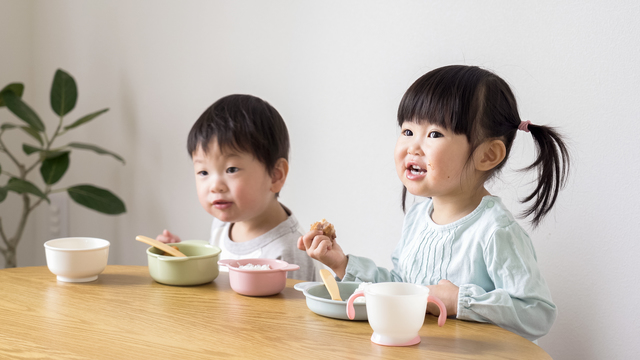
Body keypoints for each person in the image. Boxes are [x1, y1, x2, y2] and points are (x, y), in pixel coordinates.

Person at [297, 65, 570, 341]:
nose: (413, 147)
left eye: (434, 134)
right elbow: (402, 290)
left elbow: (537, 313)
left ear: (488, 155)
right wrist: (343, 264)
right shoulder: (417, 218)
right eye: (407, 131)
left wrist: (459, 301)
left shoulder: (495, 231)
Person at [158, 94, 317, 281]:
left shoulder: (289, 252)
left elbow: (292, 311)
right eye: (203, 172)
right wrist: (181, 257)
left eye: (231, 169)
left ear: (275, 175)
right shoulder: (224, 223)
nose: (215, 186)